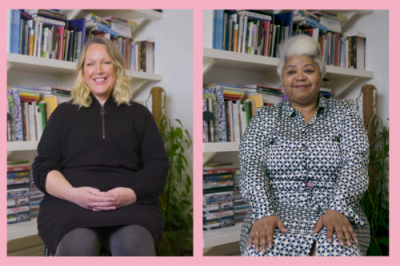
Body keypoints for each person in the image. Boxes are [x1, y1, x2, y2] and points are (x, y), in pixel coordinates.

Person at [32, 37, 169, 256]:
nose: (98, 70)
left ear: (116, 67)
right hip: (70, 207)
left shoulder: (140, 115)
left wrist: (130, 194)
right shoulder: (63, 114)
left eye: (105, 62)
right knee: (78, 246)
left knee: (134, 245)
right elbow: (43, 167)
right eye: (90, 63)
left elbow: (157, 166)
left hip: (130, 207)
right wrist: (73, 194)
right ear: (82, 71)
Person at [238, 34, 370, 256]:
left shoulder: (345, 113)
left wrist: (338, 207)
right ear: (282, 77)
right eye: (291, 71)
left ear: (320, 74)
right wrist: (264, 212)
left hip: (337, 211)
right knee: (262, 250)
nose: (300, 77)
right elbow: (252, 166)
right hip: (275, 213)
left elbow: (356, 162)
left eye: (308, 70)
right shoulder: (263, 118)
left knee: (338, 249)